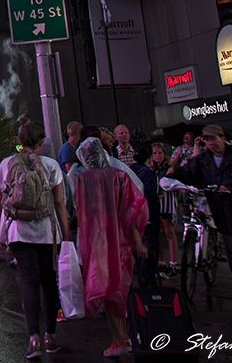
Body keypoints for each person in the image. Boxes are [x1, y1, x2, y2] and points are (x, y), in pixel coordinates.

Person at [0, 122, 71, 360]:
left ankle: (33, 339)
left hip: (18, 231)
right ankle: (50, 336)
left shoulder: (6, 164)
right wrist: (67, 235)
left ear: (19, 140)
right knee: (48, 281)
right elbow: (59, 203)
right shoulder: (51, 165)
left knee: (28, 281)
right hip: (47, 231)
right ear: (41, 142)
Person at [169, 125, 232, 301]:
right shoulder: (203, 159)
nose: (210, 143)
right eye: (207, 140)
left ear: (222, 138)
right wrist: (171, 175)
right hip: (224, 212)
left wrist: (230, 185)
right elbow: (188, 172)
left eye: (213, 139)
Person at [73, 137, 148, 358]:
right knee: (119, 290)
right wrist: (138, 241)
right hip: (120, 242)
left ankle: (120, 338)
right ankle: (124, 337)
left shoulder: (82, 180)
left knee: (105, 291)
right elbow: (132, 210)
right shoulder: (120, 177)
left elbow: (78, 212)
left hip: (95, 245)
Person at [131, 145, 161, 288]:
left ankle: (143, 279)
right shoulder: (148, 173)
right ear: (149, 157)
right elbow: (149, 195)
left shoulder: (132, 170)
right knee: (149, 250)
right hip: (149, 216)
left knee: (140, 249)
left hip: (135, 216)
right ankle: (148, 283)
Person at [150, 143, 179, 275]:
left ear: (164, 154)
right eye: (155, 153)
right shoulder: (150, 169)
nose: (157, 156)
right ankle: (160, 262)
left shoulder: (169, 168)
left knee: (169, 232)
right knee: (158, 234)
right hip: (156, 204)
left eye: (160, 153)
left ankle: (173, 263)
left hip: (167, 202)